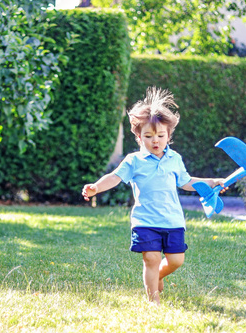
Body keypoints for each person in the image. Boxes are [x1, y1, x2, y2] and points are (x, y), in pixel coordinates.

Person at [81, 86, 226, 305]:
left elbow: (187, 182)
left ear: (169, 135)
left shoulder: (174, 159)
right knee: (151, 258)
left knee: (176, 260)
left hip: (172, 220)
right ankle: (153, 300)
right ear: (139, 137)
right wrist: (96, 187)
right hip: (145, 220)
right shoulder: (134, 161)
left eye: (160, 135)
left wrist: (211, 182)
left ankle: (157, 275)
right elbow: (114, 177)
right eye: (148, 136)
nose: (155, 140)